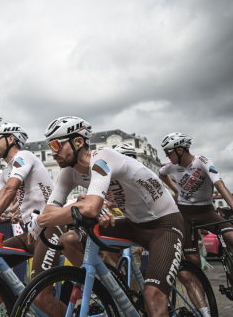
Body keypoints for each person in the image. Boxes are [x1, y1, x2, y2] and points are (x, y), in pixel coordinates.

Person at [39, 116, 184, 317]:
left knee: (153, 297)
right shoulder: (68, 173)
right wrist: (84, 207)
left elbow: (89, 208)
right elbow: (48, 213)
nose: (52, 151)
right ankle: (112, 291)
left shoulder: (104, 157)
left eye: (56, 144)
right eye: (49, 145)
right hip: (133, 224)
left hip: (164, 224)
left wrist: (84, 207)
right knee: (68, 240)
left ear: (78, 142)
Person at [0, 122, 62, 316]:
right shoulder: (6, 172)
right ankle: (16, 310)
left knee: (42, 298)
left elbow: (10, 189)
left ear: (11, 139)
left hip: (50, 229)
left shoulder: (25, 156)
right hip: (30, 234)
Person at [159, 132, 233, 267]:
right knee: (193, 259)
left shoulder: (202, 161)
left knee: (231, 238)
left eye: (168, 152)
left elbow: (218, 183)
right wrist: (175, 190)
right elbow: (161, 174)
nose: (166, 155)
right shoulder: (171, 166)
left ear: (180, 150)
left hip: (207, 212)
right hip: (185, 214)